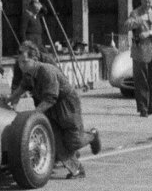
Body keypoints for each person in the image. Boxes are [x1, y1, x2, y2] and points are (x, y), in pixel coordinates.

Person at [6, 46, 101, 179]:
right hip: (48, 107)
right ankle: (77, 170)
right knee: (55, 139)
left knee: (74, 141)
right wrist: (7, 100)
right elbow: (21, 89)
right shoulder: (29, 74)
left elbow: (51, 98)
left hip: (66, 105)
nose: (21, 65)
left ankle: (92, 136)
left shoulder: (46, 71)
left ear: (34, 59)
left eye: (24, 62)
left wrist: (35, 113)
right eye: (20, 62)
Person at [124, 0, 152, 116]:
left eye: (150, 2)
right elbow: (126, 25)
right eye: (146, 1)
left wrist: (150, 33)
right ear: (141, 1)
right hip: (140, 51)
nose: (148, 4)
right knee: (141, 81)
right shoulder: (135, 13)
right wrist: (139, 20)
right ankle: (143, 108)